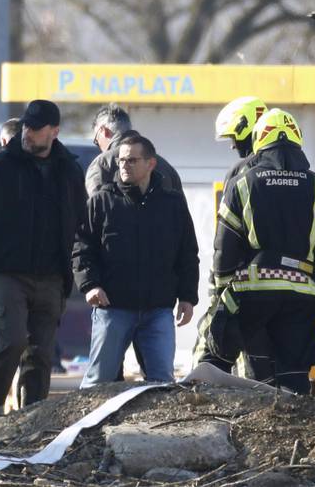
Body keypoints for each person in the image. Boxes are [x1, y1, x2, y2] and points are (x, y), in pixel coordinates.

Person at [212, 108, 315, 394]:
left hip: (254, 295)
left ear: (259, 141)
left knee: (258, 381)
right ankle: (296, 422)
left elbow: (225, 245)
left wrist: (223, 290)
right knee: (295, 381)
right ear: (297, 141)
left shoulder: (242, 184)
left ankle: (261, 422)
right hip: (302, 296)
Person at [0, 99, 87, 416]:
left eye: (36, 128)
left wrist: (75, 273)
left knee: (41, 353)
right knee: (11, 341)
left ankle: (32, 417)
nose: (28, 132)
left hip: (51, 276)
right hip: (6, 272)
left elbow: (82, 225)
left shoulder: (68, 171)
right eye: (26, 125)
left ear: (54, 131)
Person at [73, 135, 199, 387]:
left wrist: (187, 297)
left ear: (151, 164)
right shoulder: (102, 201)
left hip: (158, 311)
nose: (124, 165)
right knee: (98, 383)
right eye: (121, 160)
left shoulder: (172, 204)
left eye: (132, 160)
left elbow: (187, 253)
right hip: (113, 308)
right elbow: (82, 247)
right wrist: (90, 285)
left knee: (162, 385)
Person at [193, 96, 266, 373]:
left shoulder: (241, 172)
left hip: (242, 281)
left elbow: (227, 234)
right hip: (287, 287)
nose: (233, 145)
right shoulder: (299, 172)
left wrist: (217, 283)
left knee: (214, 350)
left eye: (235, 136)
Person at [85, 103, 182, 197]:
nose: (99, 146)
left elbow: (95, 205)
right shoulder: (165, 166)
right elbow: (180, 207)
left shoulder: (102, 164)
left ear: (104, 131)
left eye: (96, 141)